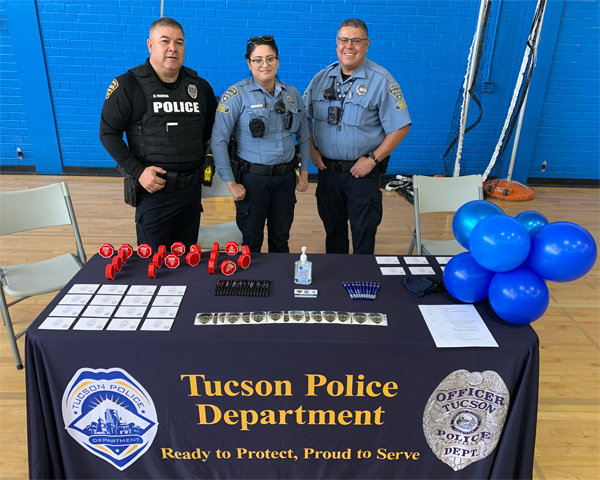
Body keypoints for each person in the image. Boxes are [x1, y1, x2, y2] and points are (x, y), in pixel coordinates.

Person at [100, 17, 217, 250]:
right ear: (150, 45)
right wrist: (139, 172)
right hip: (154, 193)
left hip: (191, 193)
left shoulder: (201, 87)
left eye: (179, 42)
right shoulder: (127, 85)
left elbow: (207, 133)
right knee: (154, 265)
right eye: (165, 41)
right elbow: (108, 133)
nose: (173, 47)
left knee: (186, 262)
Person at [304, 18, 411, 254]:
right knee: (334, 232)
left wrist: (373, 159)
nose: (349, 46)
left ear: (366, 44)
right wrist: (311, 149)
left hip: (362, 173)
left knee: (363, 233)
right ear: (337, 43)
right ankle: (336, 282)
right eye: (344, 40)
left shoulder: (381, 80)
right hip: (328, 173)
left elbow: (401, 126)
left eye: (356, 41)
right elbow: (305, 117)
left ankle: (360, 282)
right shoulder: (321, 78)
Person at [210, 35, 310, 253]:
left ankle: (280, 284)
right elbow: (219, 141)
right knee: (251, 240)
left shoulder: (292, 94)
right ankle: (251, 284)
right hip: (253, 181)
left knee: (281, 239)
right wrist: (230, 183)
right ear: (249, 63)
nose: (265, 64)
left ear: (278, 60)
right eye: (258, 59)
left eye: (270, 58)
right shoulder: (236, 95)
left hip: (285, 180)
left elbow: (303, 136)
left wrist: (303, 174)